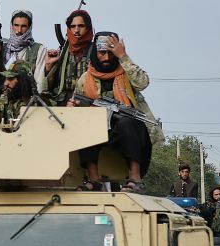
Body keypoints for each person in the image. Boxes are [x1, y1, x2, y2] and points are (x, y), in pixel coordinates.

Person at [68, 32, 162, 192]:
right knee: (87, 122)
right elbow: (77, 102)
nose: (106, 58)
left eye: (110, 53)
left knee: (127, 122)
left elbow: (142, 82)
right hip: (99, 130)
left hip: (128, 129)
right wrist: (72, 106)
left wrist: (123, 56)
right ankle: (93, 178)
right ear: (95, 53)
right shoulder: (86, 78)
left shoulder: (125, 72)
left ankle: (135, 178)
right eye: (102, 53)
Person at [0, 10, 47, 95]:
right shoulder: (3, 49)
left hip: (27, 102)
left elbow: (40, 84)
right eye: (16, 25)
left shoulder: (39, 49)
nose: (19, 30)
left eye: (24, 26)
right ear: (11, 26)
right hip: (3, 102)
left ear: (29, 27)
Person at [44, 10, 95, 105]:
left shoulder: (95, 52)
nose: (76, 30)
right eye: (73, 26)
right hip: (60, 100)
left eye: (81, 26)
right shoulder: (63, 50)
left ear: (88, 28)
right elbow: (49, 85)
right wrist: (48, 67)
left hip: (85, 100)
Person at [0, 61, 36, 128]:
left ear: (23, 81)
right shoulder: (2, 102)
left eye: (10, 79)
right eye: (6, 79)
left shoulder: (36, 104)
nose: (6, 83)